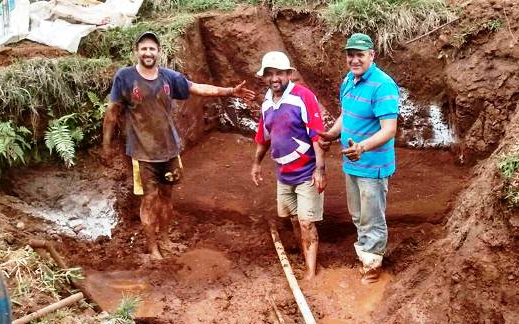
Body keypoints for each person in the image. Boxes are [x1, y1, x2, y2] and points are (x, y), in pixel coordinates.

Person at [102, 31, 255, 259]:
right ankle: (153, 248)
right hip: (143, 153)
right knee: (150, 198)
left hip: (169, 150)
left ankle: (165, 238)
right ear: (136, 51)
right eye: (143, 48)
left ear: (159, 52)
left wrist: (230, 92)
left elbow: (198, 88)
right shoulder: (125, 77)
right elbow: (112, 112)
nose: (148, 52)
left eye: (152, 48)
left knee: (167, 196)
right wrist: (106, 145)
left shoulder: (168, 77)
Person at [318, 33, 399, 284]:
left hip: (372, 165)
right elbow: (346, 113)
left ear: (372, 55)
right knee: (357, 213)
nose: (354, 60)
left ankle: (372, 267)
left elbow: (389, 129)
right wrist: (332, 134)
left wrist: (362, 147)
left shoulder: (383, 85)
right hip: (352, 163)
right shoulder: (349, 81)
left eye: (360, 55)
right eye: (350, 55)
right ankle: (366, 253)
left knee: (371, 217)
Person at [251, 51, 326, 280]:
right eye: (270, 74)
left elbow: (317, 135)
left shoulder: (303, 97)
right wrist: (256, 164)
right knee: (293, 218)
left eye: (279, 74)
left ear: (289, 74)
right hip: (283, 174)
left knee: (305, 222)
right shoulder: (266, 103)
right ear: (264, 77)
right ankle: (304, 254)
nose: (275, 78)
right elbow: (264, 137)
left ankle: (311, 273)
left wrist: (320, 170)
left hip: (306, 172)